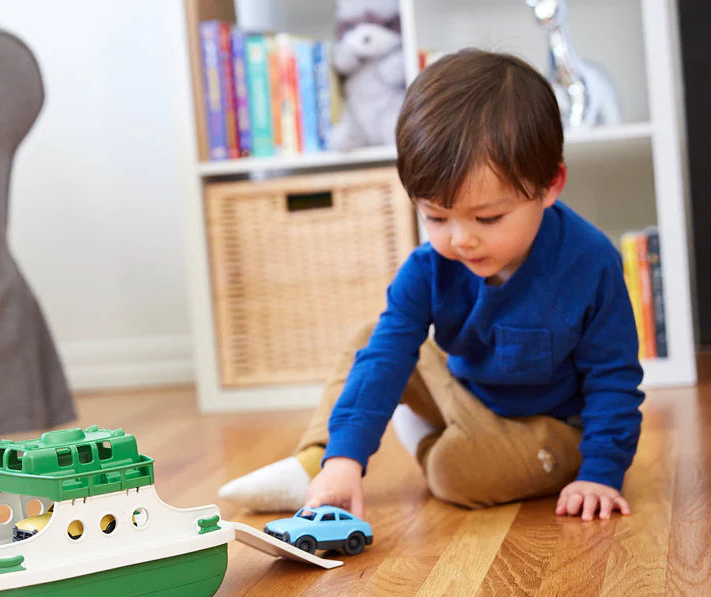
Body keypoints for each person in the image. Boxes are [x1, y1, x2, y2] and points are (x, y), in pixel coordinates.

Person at [218, 49, 644, 522]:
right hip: (466, 395)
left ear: (550, 186)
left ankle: (426, 434)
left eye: (488, 217)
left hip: (554, 429)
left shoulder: (591, 262)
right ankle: (315, 464)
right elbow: (386, 356)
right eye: (436, 217)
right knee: (372, 342)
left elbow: (613, 377)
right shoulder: (428, 267)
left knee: (453, 474)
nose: (461, 239)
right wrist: (345, 460)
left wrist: (601, 472)